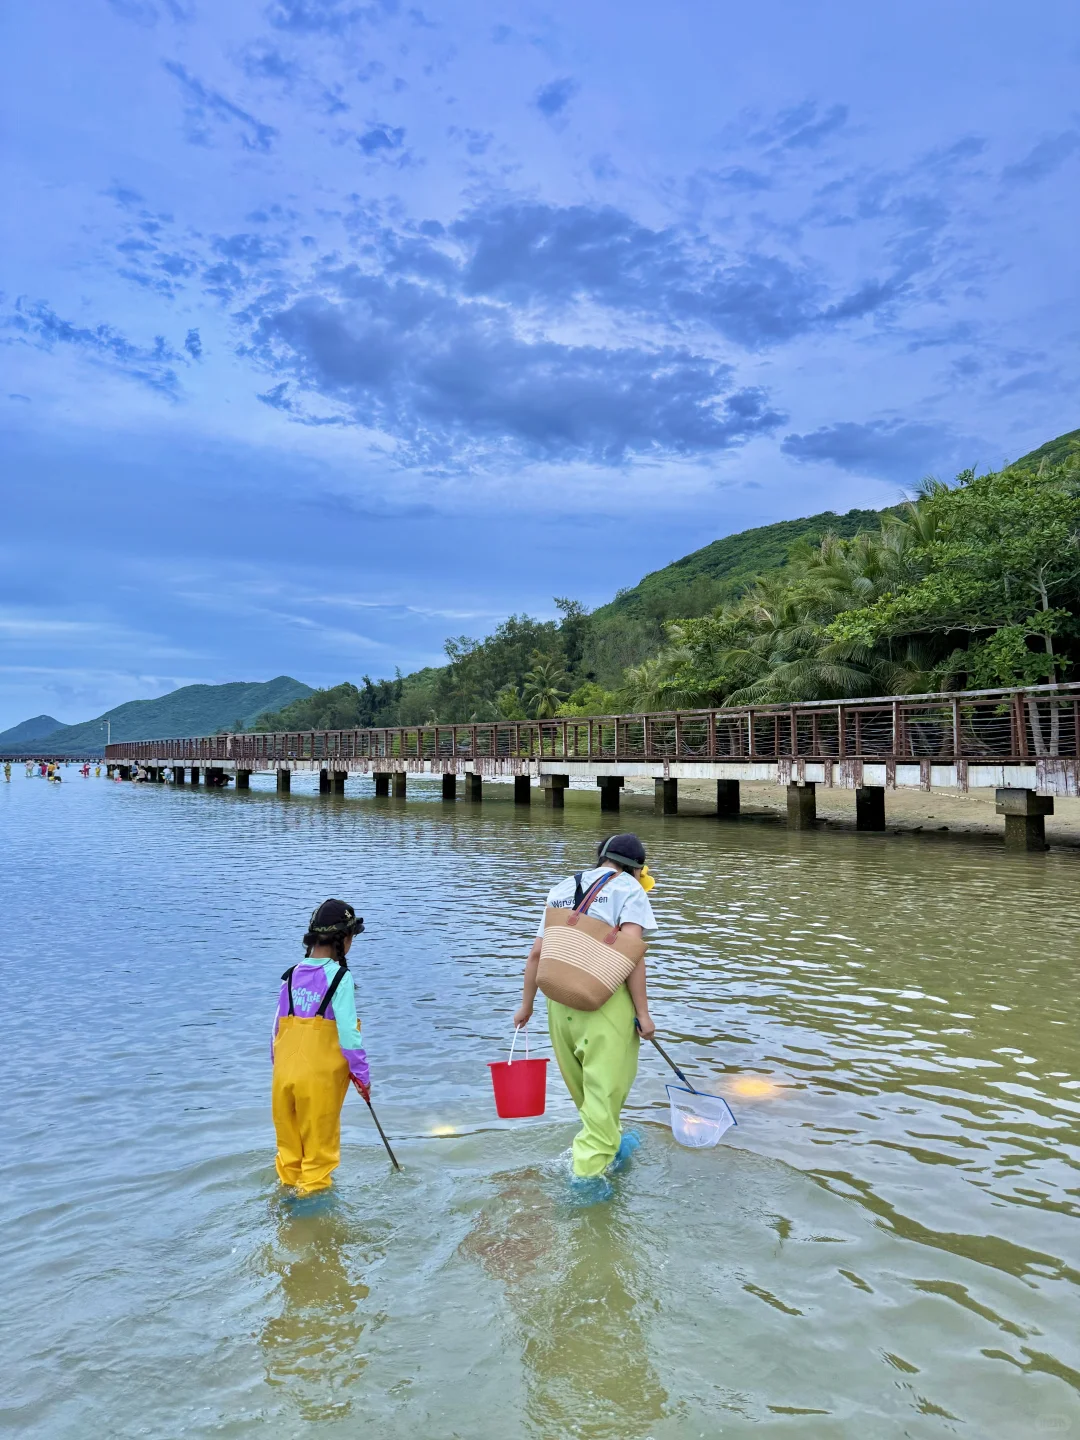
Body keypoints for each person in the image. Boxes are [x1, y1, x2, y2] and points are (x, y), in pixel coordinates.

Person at [514, 833, 658, 1188]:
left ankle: (613, 1143)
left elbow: (536, 954)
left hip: (557, 1002)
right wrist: (643, 1012)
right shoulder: (630, 889)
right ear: (638, 868)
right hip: (604, 1005)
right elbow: (632, 956)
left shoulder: (562, 887)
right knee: (606, 1089)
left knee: (586, 1092)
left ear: (600, 858)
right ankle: (585, 1183)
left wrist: (526, 1005)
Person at [272, 898, 371, 1196]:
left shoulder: (290, 976)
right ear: (344, 939)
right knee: (318, 1159)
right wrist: (362, 1076)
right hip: (318, 1082)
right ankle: (312, 1228)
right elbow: (349, 1035)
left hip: (283, 1078)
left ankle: (284, 1211)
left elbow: (275, 1030)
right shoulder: (340, 978)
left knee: (290, 1156)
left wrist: (282, 1070)